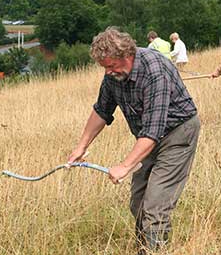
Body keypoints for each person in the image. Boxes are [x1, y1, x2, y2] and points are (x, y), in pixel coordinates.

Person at [67, 27, 200, 254]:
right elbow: (102, 110)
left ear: (127, 55)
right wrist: (81, 146)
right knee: (138, 202)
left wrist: (125, 166)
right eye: (104, 67)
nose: (107, 72)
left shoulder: (154, 70)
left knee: (155, 205)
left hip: (178, 134)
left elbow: (153, 131)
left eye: (110, 66)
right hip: (147, 137)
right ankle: (143, 249)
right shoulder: (113, 75)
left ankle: (156, 250)